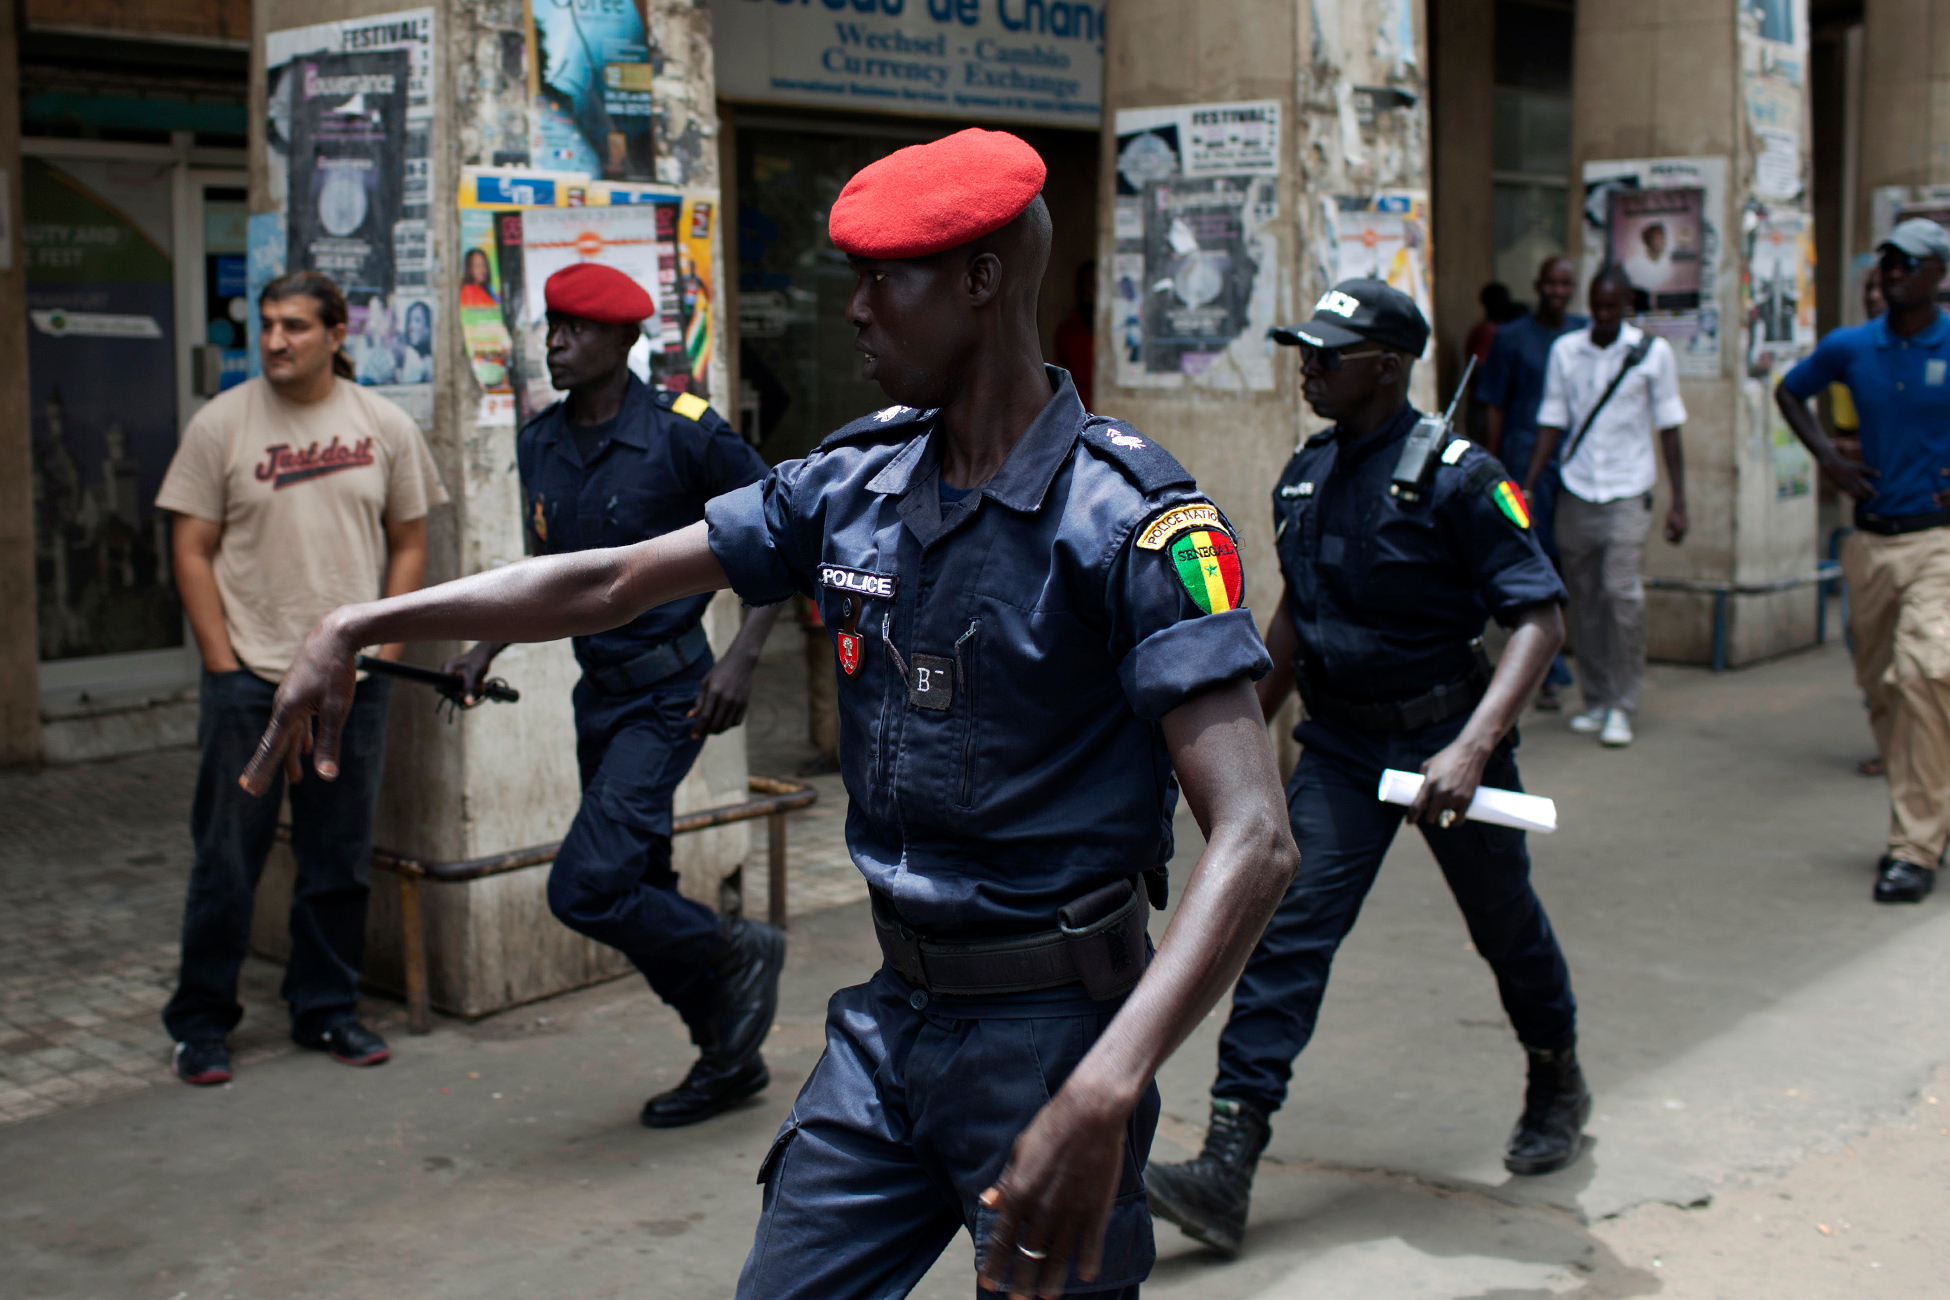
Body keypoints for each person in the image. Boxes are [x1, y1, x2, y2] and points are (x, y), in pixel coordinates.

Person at [239, 127, 1298, 1300]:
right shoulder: (851, 485)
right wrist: (357, 624)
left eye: (882, 280)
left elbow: (1254, 836)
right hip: (890, 1022)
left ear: (981, 281)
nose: (853, 311)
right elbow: (608, 578)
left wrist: (1111, 1081)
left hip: (1058, 1038)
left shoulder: (1133, 522)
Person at [1143, 280, 1588, 1258]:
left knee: (1504, 923)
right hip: (1343, 748)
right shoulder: (1304, 475)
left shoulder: (1461, 477)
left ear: (1386, 365)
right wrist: (1238, 731)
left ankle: (1555, 1069)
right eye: (1304, 351)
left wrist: (1472, 747)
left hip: (1449, 739)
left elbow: (1538, 616)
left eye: (1327, 354)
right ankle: (1227, 1157)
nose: (1308, 368)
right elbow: (1296, 619)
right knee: (1289, 932)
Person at [442, 263, 786, 1127]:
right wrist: (485, 644)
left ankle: (739, 947)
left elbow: (780, 538)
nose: (555, 342)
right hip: (597, 698)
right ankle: (726, 1054)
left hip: (675, 692)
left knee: (585, 888)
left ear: (625, 339)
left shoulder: (685, 435)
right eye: (551, 325)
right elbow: (546, 581)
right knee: (640, 886)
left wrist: (739, 656)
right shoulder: (538, 443)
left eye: (577, 329)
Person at [155, 270, 448, 1086]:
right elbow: (191, 550)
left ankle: (326, 1009)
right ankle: (203, 1022)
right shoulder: (221, 424)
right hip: (248, 674)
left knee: (338, 856)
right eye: (266, 326)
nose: (276, 341)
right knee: (226, 857)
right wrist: (220, 665)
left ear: (336, 333)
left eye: (294, 326)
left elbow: (410, 541)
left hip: (348, 684)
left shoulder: (381, 424)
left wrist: (381, 651)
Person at [1774, 217, 1950, 905]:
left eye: (1908, 261)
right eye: (1887, 260)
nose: (1892, 270)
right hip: (1870, 543)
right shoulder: (1852, 346)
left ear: (1938, 273)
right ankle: (1934, 797)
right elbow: (1790, 390)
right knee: (1883, 687)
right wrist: (1825, 456)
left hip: (1939, 541)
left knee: (1927, 674)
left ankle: (1913, 846)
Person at [1523, 265, 1689, 748]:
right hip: (1577, 488)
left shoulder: (1652, 354)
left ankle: (1622, 702)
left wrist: (1680, 501)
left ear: (1625, 308)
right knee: (1586, 600)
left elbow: (1670, 427)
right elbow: (1551, 420)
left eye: (1613, 308)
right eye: (1597, 306)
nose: (1604, 315)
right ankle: (1595, 699)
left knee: (1621, 595)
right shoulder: (1566, 351)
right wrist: (1529, 485)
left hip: (1627, 491)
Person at [1480, 256, 1589, 710]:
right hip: (1525, 463)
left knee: (1569, 557)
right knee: (1534, 555)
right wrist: (1494, 466)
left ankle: (1558, 658)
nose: (1558, 290)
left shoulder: (1585, 332)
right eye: (1551, 282)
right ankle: (1549, 671)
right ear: (1538, 284)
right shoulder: (1511, 338)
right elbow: (1494, 405)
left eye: (1567, 283)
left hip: (1581, 460)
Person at [1053, 258, 1096, 410]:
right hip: (1077, 411)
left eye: (1092, 283)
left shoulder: (1113, 331)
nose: (1087, 289)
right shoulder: (1067, 331)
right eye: (1084, 284)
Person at [1623, 222, 1672, 299]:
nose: (1662, 242)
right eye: (1658, 238)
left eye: (1663, 238)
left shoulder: (1667, 265)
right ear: (1648, 241)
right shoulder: (1632, 264)